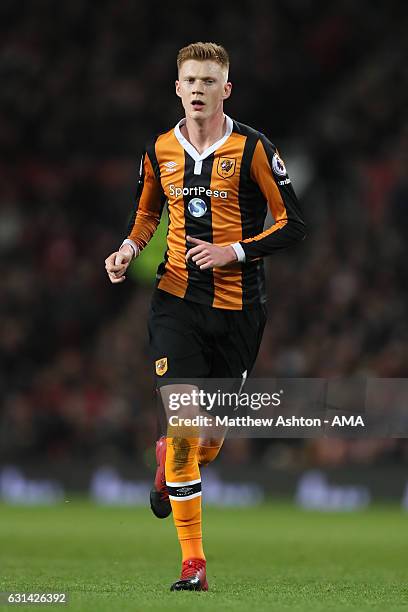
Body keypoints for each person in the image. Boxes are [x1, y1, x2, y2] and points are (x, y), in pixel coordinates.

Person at [105, 41, 306, 591]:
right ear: (177, 87)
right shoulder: (158, 151)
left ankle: (169, 457)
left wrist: (234, 250)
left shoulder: (254, 149)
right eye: (189, 80)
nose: (197, 89)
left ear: (225, 89)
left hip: (240, 310)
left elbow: (294, 224)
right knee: (189, 426)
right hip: (174, 303)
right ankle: (194, 564)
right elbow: (146, 213)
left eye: (208, 81)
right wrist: (127, 248)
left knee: (206, 440)